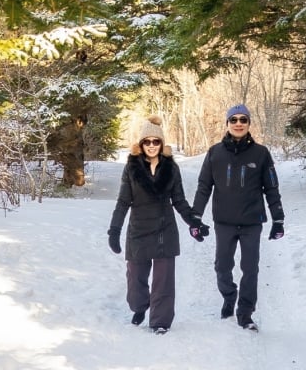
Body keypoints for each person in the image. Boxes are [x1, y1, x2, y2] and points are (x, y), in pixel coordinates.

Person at [107, 115, 209, 335]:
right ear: (140, 144)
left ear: (162, 144)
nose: (151, 146)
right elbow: (124, 201)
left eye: (156, 142)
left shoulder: (171, 168)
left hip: (164, 230)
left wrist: (194, 221)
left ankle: (160, 320)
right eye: (147, 142)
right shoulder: (131, 168)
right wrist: (114, 230)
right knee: (135, 279)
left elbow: (179, 201)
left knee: (163, 281)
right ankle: (139, 307)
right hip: (138, 229)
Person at [190, 104, 285, 331]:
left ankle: (245, 314)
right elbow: (204, 187)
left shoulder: (261, 153)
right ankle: (229, 296)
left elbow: (271, 187)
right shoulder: (214, 153)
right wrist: (195, 217)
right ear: (227, 124)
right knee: (222, 266)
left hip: (252, 222)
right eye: (234, 120)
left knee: (250, 268)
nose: (239, 123)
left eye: (243, 119)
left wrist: (278, 219)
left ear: (249, 123)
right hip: (224, 221)